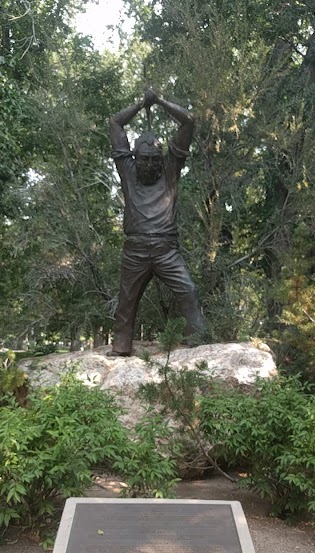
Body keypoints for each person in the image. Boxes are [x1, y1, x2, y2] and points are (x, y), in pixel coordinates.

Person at [108, 88, 206, 357]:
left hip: (166, 250)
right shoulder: (127, 171)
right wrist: (141, 103)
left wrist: (160, 101)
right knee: (126, 302)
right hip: (136, 249)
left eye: (154, 159)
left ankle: (197, 344)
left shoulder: (170, 169)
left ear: (161, 160)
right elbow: (115, 123)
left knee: (188, 290)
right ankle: (121, 346)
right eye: (144, 159)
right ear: (134, 158)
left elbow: (188, 121)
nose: (150, 164)